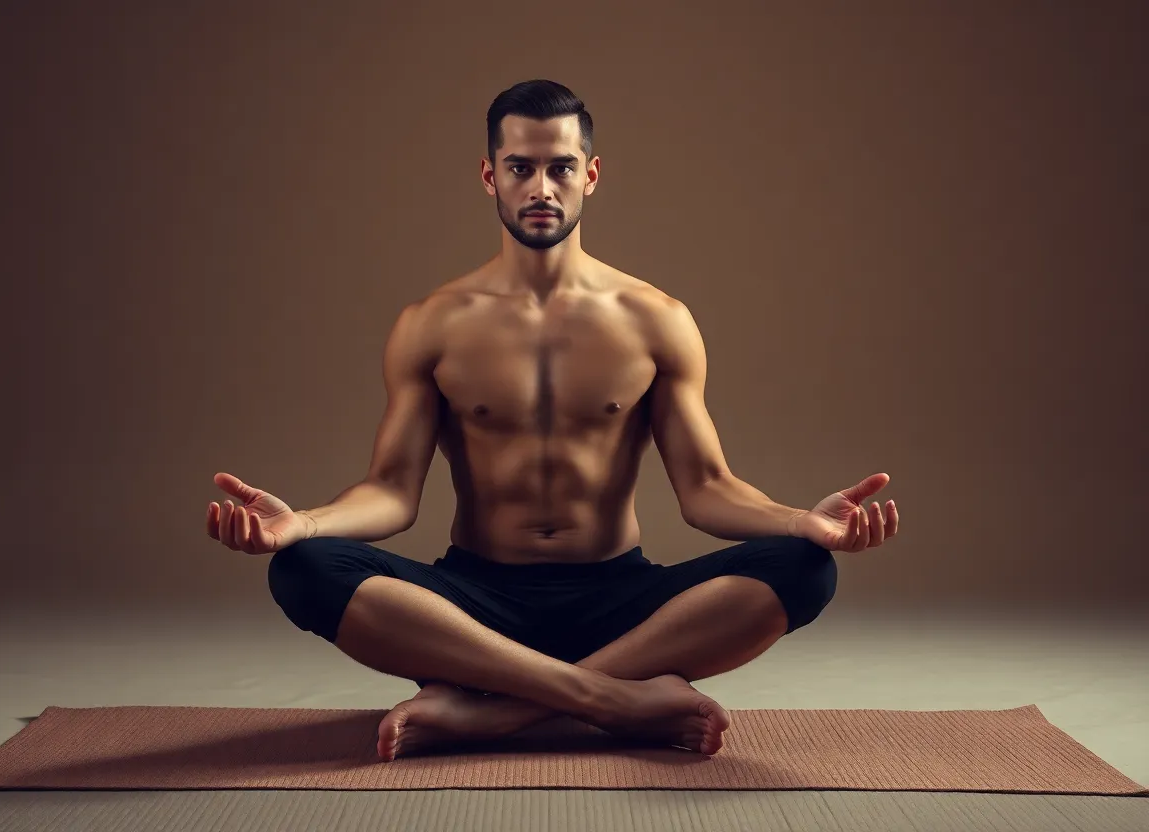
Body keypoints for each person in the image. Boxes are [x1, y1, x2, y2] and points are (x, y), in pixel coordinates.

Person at [205, 79, 899, 763]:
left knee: (808, 570)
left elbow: (707, 488)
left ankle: (495, 710)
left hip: (621, 601)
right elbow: (391, 491)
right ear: (490, 176)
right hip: (470, 609)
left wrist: (798, 521)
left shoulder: (655, 318)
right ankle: (612, 699)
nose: (541, 188)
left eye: (560, 167)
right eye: (521, 168)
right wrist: (304, 524)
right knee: (302, 570)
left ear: (590, 175)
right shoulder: (432, 324)